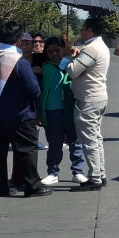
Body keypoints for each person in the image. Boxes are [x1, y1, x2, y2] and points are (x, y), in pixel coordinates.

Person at [0, 21, 54, 197]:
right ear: (18, 40)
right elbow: (33, 89)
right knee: (27, 150)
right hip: (20, 115)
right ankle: (32, 185)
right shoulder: (19, 62)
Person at [67, 17, 111, 189]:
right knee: (96, 139)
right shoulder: (100, 46)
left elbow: (73, 71)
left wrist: (68, 58)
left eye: (83, 28)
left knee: (89, 141)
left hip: (88, 99)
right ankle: (100, 174)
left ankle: (95, 178)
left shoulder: (91, 49)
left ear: (90, 30)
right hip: (98, 97)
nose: (81, 31)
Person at [38, 36, 87, 185]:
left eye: (57, 50)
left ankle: (78, 172)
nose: (54, 54)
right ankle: (53, 172)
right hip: (51, 111)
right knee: (54, 144)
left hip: (71, 109)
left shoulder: (71, 64)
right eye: (50, 51)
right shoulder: (45, 67)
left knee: (75, 142)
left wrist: (71, 52)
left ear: (63, 50)